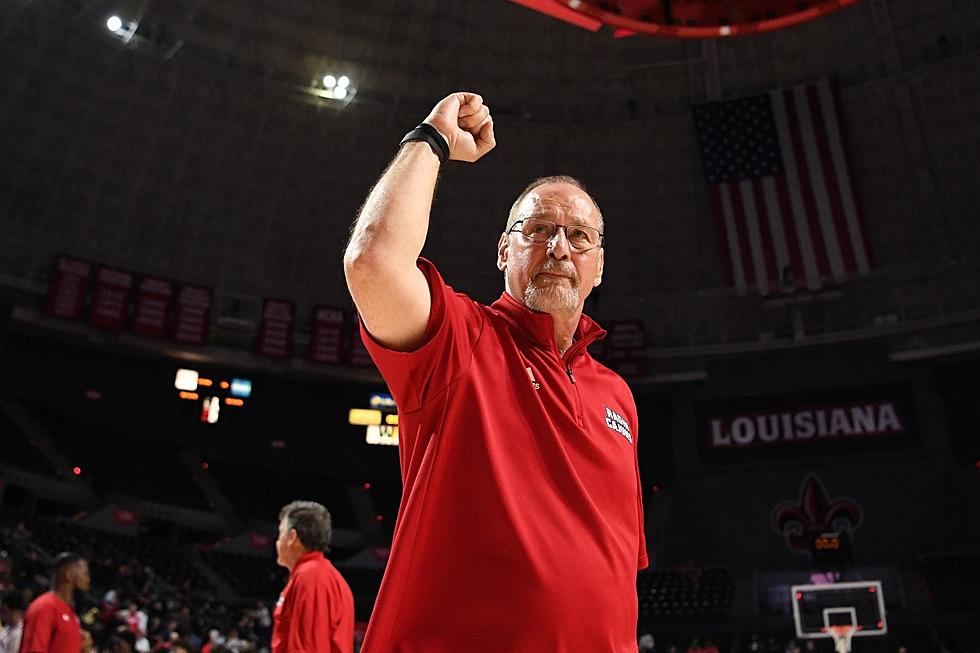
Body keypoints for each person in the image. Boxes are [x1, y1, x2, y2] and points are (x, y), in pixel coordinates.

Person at [344, 92, 648, 651]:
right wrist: (432, 139)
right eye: (537, 231)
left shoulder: (619, 397)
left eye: (579, 237)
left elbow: (615, 570)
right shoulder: (460, 339)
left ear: (598, 268)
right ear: (504, 251)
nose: (559, 247)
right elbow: (373, 262)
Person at [272, 501, 354, 653]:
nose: (277, 542)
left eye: (280, 534)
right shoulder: (317, 573)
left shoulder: (311, 577)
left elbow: (309, 648)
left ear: (292, 537)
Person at [18, 551, 90, 653]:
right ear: (68, 575)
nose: (88, 579)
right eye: (85, 574)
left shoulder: (70, 611)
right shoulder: (45, 606)